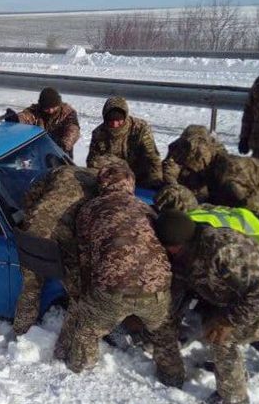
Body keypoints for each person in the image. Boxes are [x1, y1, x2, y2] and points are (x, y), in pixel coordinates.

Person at [155, 210, 259, 404]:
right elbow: (180, 287)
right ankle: (235, 371)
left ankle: (233, 397)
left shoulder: (224, 251)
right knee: (221, 320)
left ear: (173, 247)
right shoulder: (191, 248)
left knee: (222, 335)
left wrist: (227, 322)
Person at [154, 184, 259, 354]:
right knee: (226, 297)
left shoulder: (210, 240)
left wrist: (228, 321)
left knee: (252, 320)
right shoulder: (196, 217)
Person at [65, 162, 185, 387]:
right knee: (163, 333)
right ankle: (173, 378)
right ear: (130, 184)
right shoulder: (146, 207)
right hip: (156, 291)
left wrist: (87, 292)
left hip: (112, 293)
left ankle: (81, 368)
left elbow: (84, 257)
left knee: (87, 330)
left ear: (102, 184)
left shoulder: (89, 210)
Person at [12, 165, 97, 353]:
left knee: (31, 288)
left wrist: (35, 217)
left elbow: (30, 196)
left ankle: (20, 335)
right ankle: (64, 348)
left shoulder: (62, 170)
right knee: (79, 294)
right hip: (60, 239)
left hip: (31, 232)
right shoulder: (100, 189)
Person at [170, 132, 259, 233]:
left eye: (185, 164)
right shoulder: (214, 165)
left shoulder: (228, 176)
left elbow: (250, 216)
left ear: (196, 160)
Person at [86, 96, 163, 188]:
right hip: (116, 177)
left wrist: (156, 181)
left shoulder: (140, 128)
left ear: (125, 117)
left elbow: (152, 156)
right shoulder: (99, 133)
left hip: (141, 174)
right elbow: (92, 160)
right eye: (111, 120)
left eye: (118, 120)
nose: (115, 124)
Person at [5, 87, 80, 157]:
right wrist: (16, 118)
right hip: (39, 151)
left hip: (61, 153)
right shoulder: (36, 111)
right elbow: (27, 116)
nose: (50, 111)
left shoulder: (68, 113)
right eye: (47, 108)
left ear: (58, 104)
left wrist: (63, 145)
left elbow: (73, 130)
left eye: (53, 107)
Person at [162, 125, 224, 201]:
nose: (196, 145)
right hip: (184, 189)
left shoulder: (216, 151)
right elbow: (169, 171)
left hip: (207, 191)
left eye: (200, 142)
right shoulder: (177, 147)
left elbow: (222, 174)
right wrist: (178, 192)